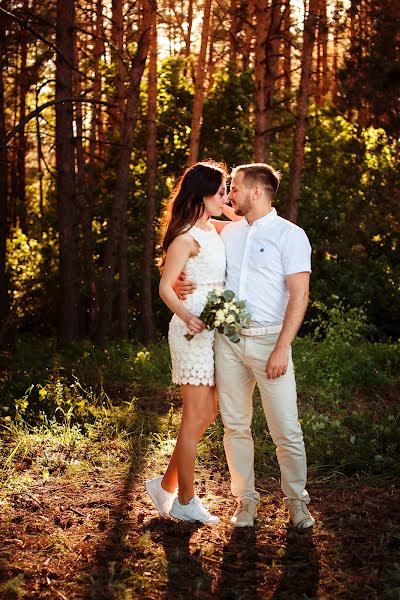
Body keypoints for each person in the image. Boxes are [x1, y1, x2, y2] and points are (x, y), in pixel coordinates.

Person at [177, 163, 315, 529]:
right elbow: (190, 243)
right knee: (235, 426)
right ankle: (246, 502)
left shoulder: (291, 235)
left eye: (234, 187)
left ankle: (297, 503)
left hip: (271, 341)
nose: (229, 194)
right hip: (229, 341)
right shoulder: (227, 231)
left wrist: (283, 346)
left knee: (285, 428)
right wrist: (177, 281)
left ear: (256, 191)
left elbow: (300, 295)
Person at [145, 161, 229, 524]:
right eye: (222, 189)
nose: (227, 195)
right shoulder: (184, 237)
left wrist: (222, 199)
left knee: (207, 414)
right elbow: (165, 287)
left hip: (213, 329)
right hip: (191, 331)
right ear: (202, 194)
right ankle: (185, 499)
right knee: (195, 415)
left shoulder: (214, 229)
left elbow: (245, 223)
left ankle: (164, 486)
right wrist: (186, 315)